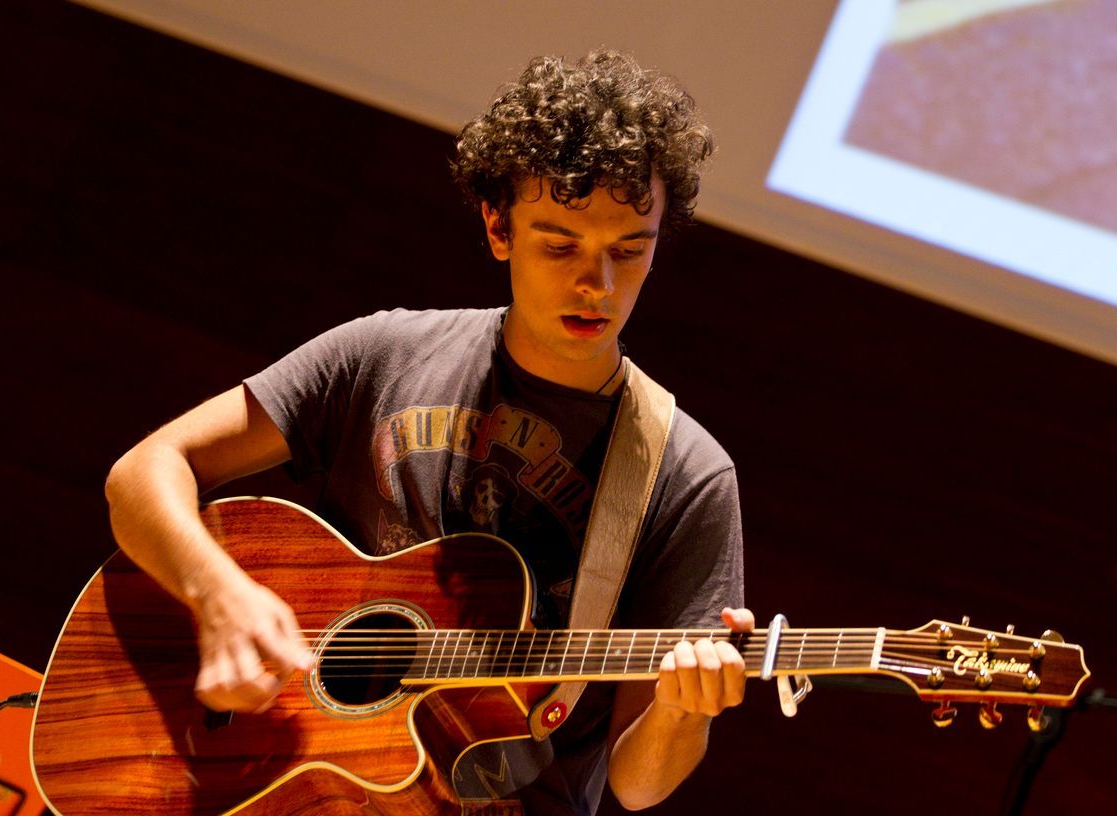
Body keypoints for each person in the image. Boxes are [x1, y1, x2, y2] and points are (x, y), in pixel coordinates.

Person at [104, 49, 749, 815]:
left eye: (629, 252)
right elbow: (143, 472)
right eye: (559, 244)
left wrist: (683, 710)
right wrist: (220, 596)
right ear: (498, 227)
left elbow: (638, 787)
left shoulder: (686, 474)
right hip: (292, 784)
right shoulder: (384, 354)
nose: (596, 285)